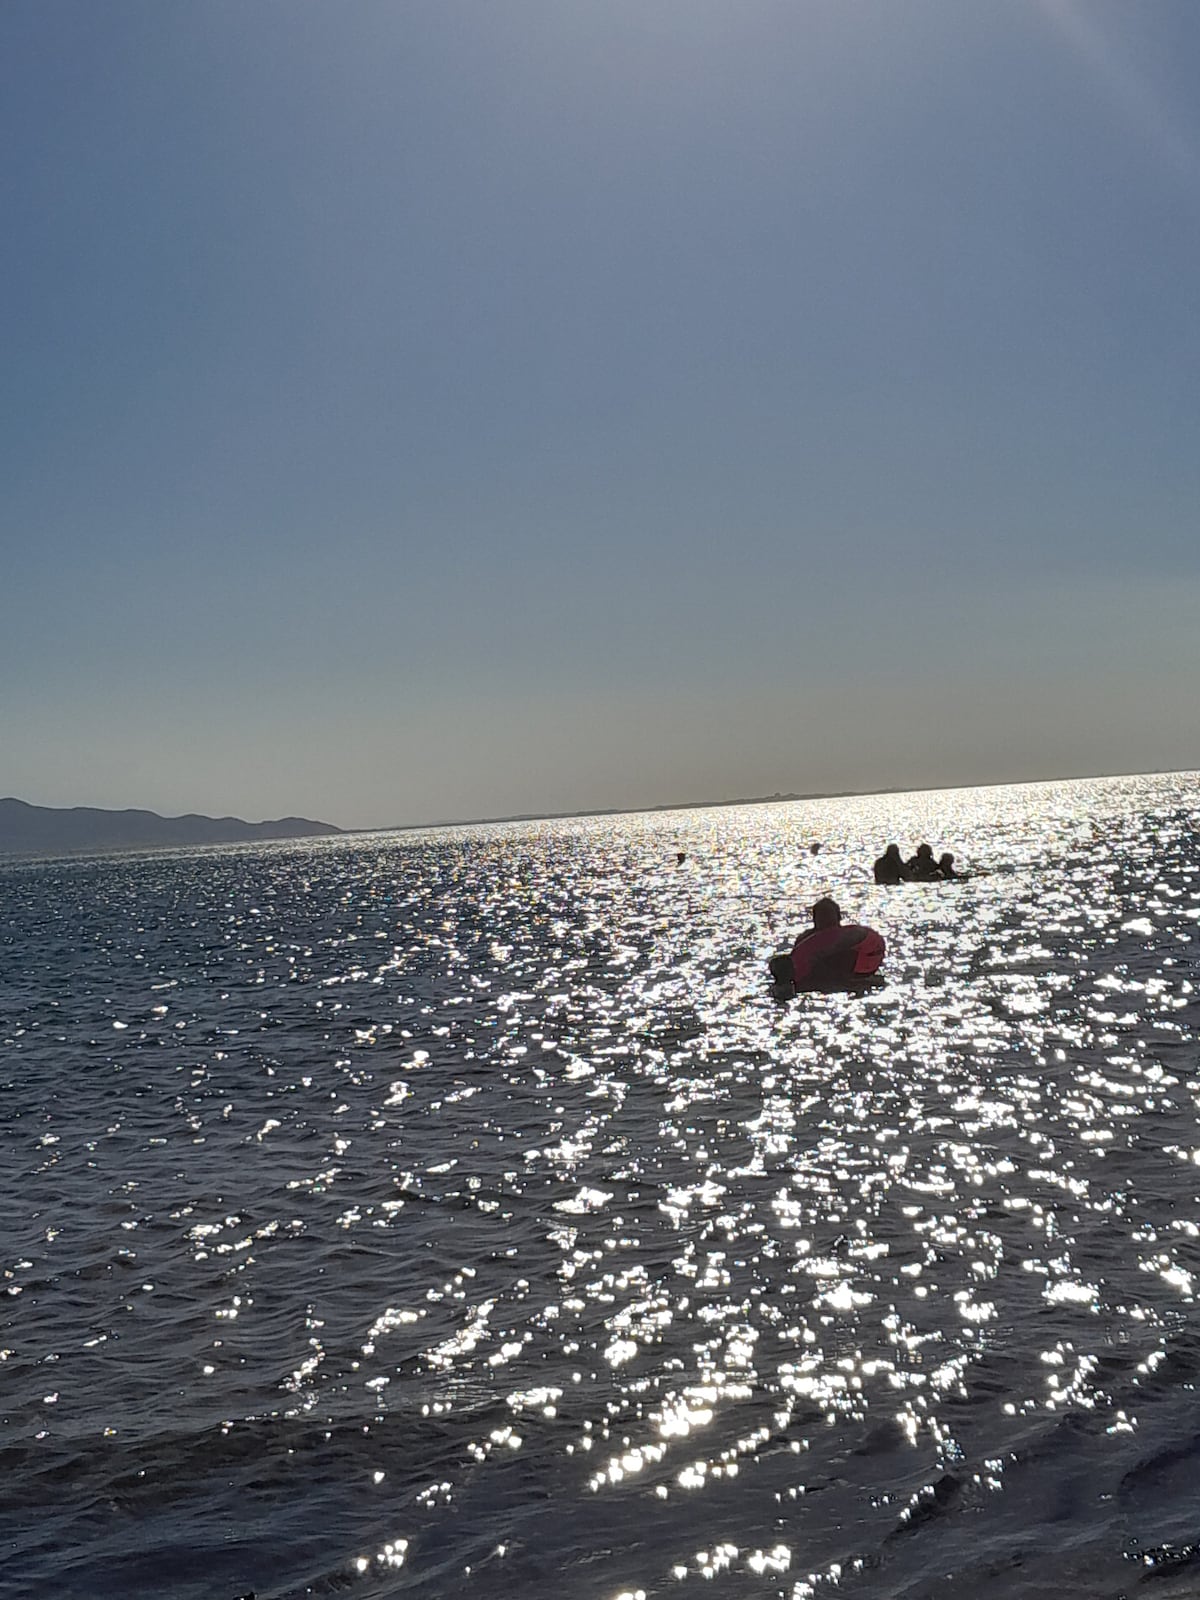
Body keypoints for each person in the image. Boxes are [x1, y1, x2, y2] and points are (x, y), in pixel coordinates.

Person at [769, 897, 886, 993]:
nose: (825, 920)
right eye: (822, 916)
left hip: (844, 975)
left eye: (828, 915)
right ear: (814, 919)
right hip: (816, 980)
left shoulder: (849, 938)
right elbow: (797, 964)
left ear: (838, 918)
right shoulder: (804, 939)